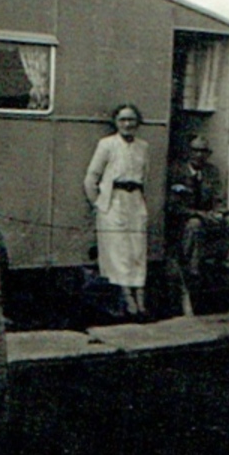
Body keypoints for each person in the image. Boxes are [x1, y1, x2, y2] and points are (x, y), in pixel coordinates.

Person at [84, 103, 150, 318]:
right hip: (113, 202)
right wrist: (100, 205)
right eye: (123, 119)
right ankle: (128, 301)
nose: (127, 124)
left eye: (131, 119)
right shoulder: (107, 145)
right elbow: (91, 178)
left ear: (137, 122)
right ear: (116, 122)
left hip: (135, 201)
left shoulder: (143, 147)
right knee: (119, 251)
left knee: (137, 250)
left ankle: (141, 301)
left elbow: (145, 176)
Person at [167, 135, 229, 278]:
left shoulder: (212, 172)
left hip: (208, 216)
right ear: (188, 152)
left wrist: (219, 212)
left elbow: (218, 197)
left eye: (203, 151)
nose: (199, 155)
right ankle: (191, 268)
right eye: (195, 150)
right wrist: (197, 213)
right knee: (195, 224)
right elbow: (173, 205)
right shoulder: (177, 171)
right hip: (183, 218)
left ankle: (228, 265)